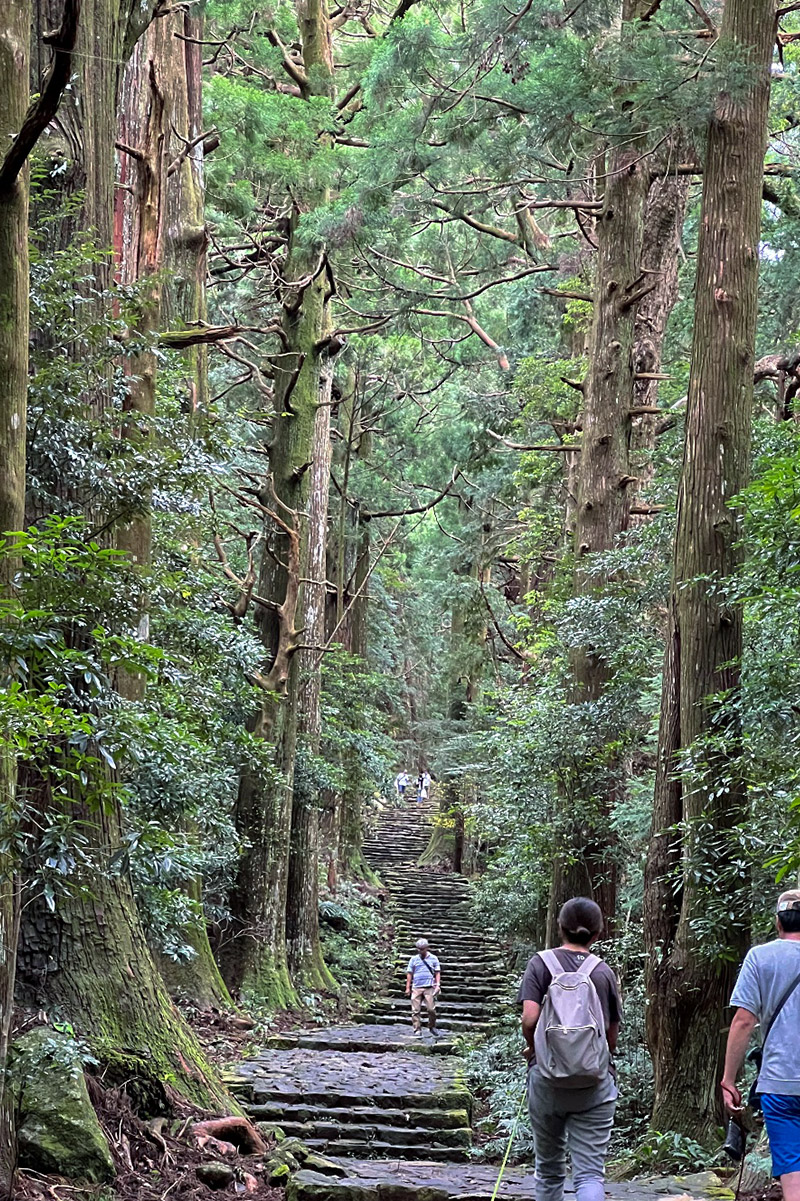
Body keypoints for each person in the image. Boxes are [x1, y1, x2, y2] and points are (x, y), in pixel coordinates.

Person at [519, 897, 621, 1201]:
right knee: (589, 1174)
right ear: (597, 933)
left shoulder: (540, 964)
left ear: (560, 927)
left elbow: (529, 1019)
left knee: (549, 1169)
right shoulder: (603, 973)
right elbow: (611, 1037)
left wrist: (534, 1049)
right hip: (594, 1084)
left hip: (547, 1079)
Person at [721, 889, 800, 1201]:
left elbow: (743, 1021)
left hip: (780, 1083)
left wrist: (729, 1079)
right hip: (778, 1083)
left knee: (793, 1173)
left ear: (778, 922)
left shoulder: (760, 957)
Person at [406, 937, 441, 1036]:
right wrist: (408, 987)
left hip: (429, 987)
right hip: (416, 987)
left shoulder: (434, 958)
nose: (420, 951)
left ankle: (432, 1026)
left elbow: (437, 972)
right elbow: (409, 973)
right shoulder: (413, 959)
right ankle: (417, 1029)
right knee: (415, 1010)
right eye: (418, 949)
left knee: (431, 1009)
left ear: (427, 948)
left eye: (422, 949)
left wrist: (437, 985)